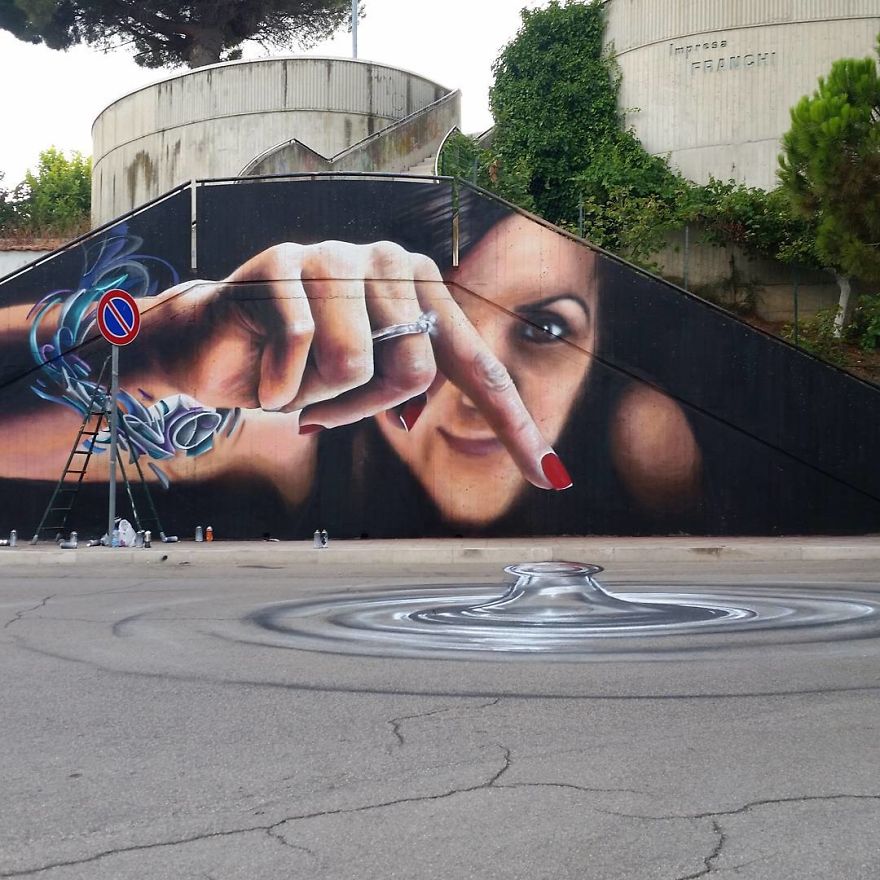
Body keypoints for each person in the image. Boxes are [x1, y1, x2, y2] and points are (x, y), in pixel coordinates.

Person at [0, 182, 702, 537]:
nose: (475, 383)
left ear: (601, 337)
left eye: (546, 330)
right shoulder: (292, 424)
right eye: (430, 329)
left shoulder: (646, 437)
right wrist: (162, 342)